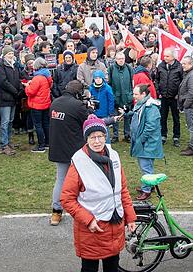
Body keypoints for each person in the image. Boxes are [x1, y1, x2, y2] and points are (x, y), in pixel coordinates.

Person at [60, 115, 137, 272]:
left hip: (114, 226)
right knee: (89, 269)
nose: (97, 141)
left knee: (112, 268)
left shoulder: (114, 156)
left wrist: (130, 217)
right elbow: (67, 199)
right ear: (86, 139)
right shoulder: (79, 162)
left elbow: (121, 190)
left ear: (105, 136)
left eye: (100, 136)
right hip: (92, 229)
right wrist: (88, 221)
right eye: (92, 137)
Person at [48, 80, 92, 226]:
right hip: (75, 150)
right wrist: (89, 110)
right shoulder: (77, 105)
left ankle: (56, 212)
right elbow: (87, 122)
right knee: (83, 179)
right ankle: (84, 209)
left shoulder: (55, 103)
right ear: (78, 93)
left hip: (58, 147)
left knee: (60, 180)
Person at [129, 84, 163, 201]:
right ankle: (149, 185)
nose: (134, 96)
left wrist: (141, 139)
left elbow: (150, 126)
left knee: (146, 167)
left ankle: (146, 191)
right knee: (147, 165)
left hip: (147, 143)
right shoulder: (142, 104)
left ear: (143, 94)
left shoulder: (151, 107)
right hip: (144, 143)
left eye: (136, 94)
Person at [0, 45, 22, 155]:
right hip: (5, 97)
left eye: (12, 53)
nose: (11, 55)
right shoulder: (0, 66)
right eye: (9, 54)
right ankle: (3, 144)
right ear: (4, 55)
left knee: (11, 120)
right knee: (5, 122)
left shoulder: (14, 65)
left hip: (13, 97)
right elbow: (3, 82)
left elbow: (18, 78)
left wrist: (20, 88)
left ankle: (8, 141)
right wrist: (15, 91)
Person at [155, 48, 183, 147]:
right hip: (163, 96)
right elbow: (157, 80)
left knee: (176, 117)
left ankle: (176, 136)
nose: (165, 58)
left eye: (167, 56)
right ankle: (163, 135)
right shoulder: (161, 66)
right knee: (163, 117)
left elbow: (182, 82)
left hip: (174, 97)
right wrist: (159, 91)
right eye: (164, 56)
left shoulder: (179, 67)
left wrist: (178, 94)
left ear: (173, 57)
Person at [26, 57, 53, 153]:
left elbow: (30, 92)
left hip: (37, 105)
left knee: (38, 125)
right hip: (46, 104)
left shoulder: (37, 78)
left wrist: (27, 86)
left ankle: (41, 146)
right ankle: (47, 143)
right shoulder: (47, 75)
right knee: (46, 123)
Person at [177, 56, 193, 156]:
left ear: (190, 64)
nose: (182, 65)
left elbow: (192, 93)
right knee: (192, 126)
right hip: (191, 105)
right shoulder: (191, 73)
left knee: (192, 127)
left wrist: (185, 105)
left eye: (184, 64)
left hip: (192, 106)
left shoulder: (192, 76)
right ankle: (192, 145)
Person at [108, 51, 134, 142]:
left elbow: (132, 82)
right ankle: (115, 135)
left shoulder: (129, 68)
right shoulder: (111, 69)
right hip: (116, 97)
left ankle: (127, 134)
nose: (121, 60)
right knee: (115, 117)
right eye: (119, 59)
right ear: (116, 60)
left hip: (127, 97)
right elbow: (109, 83)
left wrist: (131, 94)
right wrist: (112, 96)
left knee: (127, 116)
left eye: (122, 58)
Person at [89, 70, 115, 141]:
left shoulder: (107, 88)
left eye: (99, 78)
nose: (98, 80)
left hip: (104, 113)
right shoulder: (91, 88)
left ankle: (107, 143)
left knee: (104, 130)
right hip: (94, 113)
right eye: (96, 78)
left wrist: (110, 112)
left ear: (102, 78)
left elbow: (111, 100)